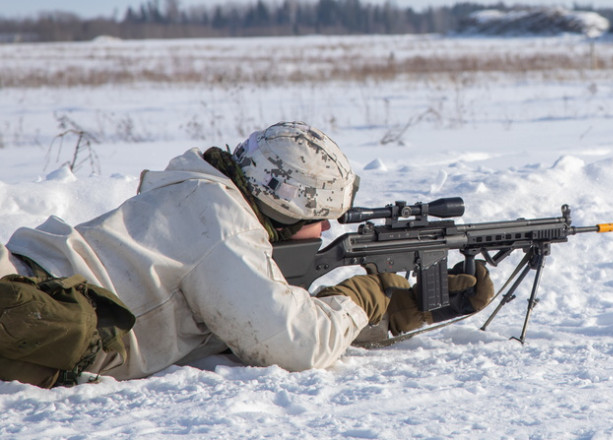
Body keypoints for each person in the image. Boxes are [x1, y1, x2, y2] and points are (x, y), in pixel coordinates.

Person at [0, 121, 493, 386]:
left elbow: (254, 319)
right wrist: (364, 294)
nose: (326, 229)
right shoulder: (222, 227)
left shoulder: (203, 196)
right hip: (28, 312)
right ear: (283, 207)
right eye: (319, 217)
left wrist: (393, 310)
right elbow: (293, 343)